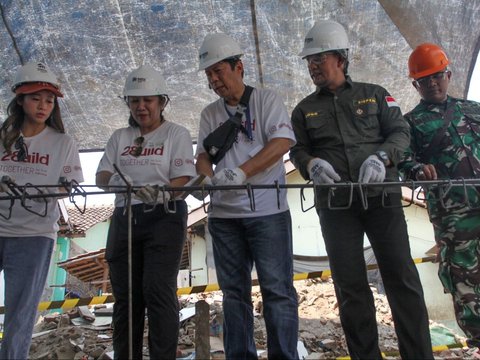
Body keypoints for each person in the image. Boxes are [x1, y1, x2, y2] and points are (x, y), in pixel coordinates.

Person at [289, 20, 433, 359]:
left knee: (401, 279)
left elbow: (400, 133)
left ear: (340, 58)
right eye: (309, 60)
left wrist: (382, 158)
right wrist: (310, 165)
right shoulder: (303, 110)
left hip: (382, 199)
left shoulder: (376, 94)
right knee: (351, 288)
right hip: (336, 206)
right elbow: (297, 150)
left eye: (318, 58)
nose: (312, 66)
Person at [195, 32, 299, 359]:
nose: (214, 80)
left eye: (219, 71)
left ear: (238, 67)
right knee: (233, 295)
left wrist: (242, 171)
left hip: (267, 212)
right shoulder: (209, 114)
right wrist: (206, 178)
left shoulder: (266, 101)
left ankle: (284, 355)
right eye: (209, 74)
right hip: (224, 218)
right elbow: (202, 156)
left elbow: (282, 143)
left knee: (277, 292)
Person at [95, 64, 196, 359]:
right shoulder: (119, 138)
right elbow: (102, 176)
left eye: (148, 100)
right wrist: (118, 183)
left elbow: (183, 180)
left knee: (157, 290)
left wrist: (161, 191)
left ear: (162, 102)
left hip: (164, 216)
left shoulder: (175, 134)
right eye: (134, 100)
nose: (141, 107)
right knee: (127, 298)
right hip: (125, 218)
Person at [398, 43, 480, 354]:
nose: (433, 83)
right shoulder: (410, 122)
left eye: (437, 76)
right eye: (424, 80)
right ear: (415, 84)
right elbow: (402, 161)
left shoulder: (473, 109)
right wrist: (418, 169)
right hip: (454, 216)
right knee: (465, 282)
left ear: (448, 74)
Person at [0, 62, 84, 359]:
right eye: (35, 97)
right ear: (20, 100)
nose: (43, 105)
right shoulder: (2, 137)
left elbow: (70, 184)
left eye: (49, 100)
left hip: (34, 235)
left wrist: (40, 190)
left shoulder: (63, 143)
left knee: (20, 315)